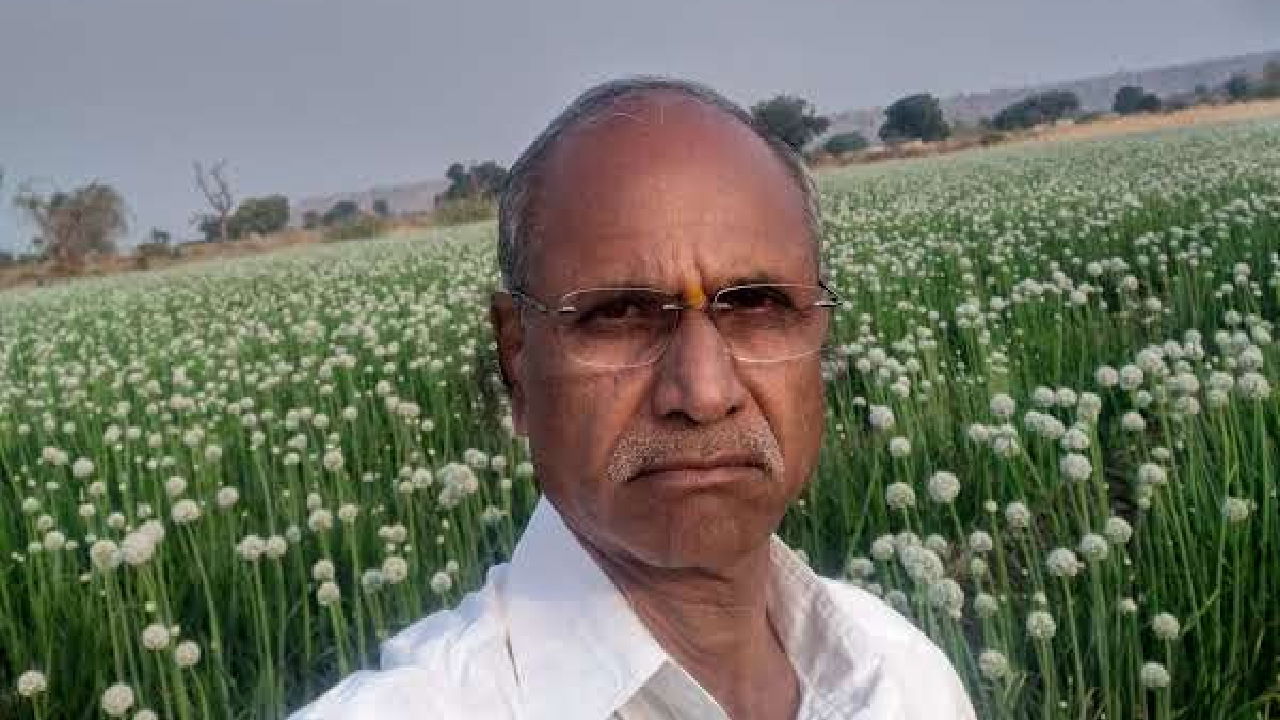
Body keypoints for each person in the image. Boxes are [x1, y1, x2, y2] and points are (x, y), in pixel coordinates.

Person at [290, 76, 976, 720]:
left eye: (758, 304)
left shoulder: (906, 677)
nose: (705, 393)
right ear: (516, 359)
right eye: (619, 314)